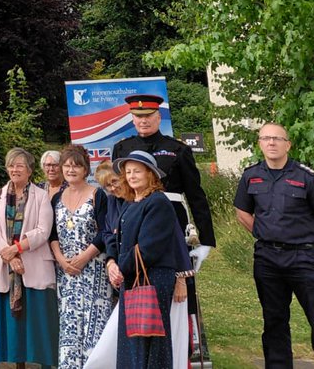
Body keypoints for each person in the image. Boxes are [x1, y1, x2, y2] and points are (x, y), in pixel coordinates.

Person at [233, 122, 314, 369]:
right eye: (266, 138)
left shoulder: (306, 177)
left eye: (277, 138)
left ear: (288, 144)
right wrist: (267, 234)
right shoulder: (251, 175)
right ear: (260, 143)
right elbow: (242, 212)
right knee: (274, 321)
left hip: (304, 259)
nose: (271, 143)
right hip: (267, 260)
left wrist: (306, 244)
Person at [111, 94, 214, 267]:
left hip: (171, 219)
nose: (143, 120)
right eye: (139, 116)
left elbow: (195, 195)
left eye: (149, 115)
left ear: (158, 118)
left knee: (177, 275)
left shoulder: (178, 149)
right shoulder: (122, 149)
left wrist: (206, 240)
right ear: (132, 119)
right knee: (135, 272)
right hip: (134, 218)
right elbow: (119, 194)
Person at [108, 151, 186, 369]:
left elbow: (148, 248)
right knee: (132, 340)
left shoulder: (158, 202)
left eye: (138, 171)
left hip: (153, 278)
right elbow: (118, 239)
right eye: (129, 171)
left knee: (149, 338)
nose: (132, 176)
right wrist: (111, 263)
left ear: (150, 174)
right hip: (132, 276)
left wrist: (121, 269)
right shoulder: (130, 203)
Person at [0, 147, 58, 369]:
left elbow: (43, 231)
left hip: (33, 266)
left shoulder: (41, 195)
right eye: (11, 165)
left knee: (39, 323)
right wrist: (8, 255)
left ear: (29, 170)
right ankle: (19, 364)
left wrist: (16, 249)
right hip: (8, 268)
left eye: (20, 165)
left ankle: (46, 363)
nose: (14, 169)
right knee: (14, 324)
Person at [49, 145, 112, 369]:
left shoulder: (98, 195)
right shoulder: (56, 198)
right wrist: (61, 259)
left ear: (86, 169)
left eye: (76, 166)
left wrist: (85, 257)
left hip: (93, 270)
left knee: (95, 325)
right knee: (69, 325)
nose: (71, 170)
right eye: (66, 166)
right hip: (66, 273)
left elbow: (106, 231)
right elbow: (52, 233)